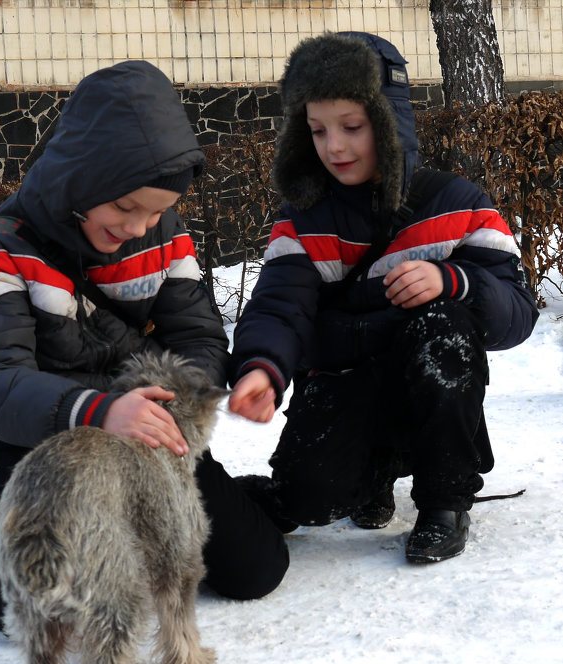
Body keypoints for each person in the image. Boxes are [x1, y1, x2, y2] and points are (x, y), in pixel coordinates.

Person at [0, 61, 289, 632]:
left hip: (151, 438)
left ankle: (186, 508)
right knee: (15, 610)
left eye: (156, 210)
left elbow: (198, 335)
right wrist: (99, 411)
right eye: (125, 207)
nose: (139, 226)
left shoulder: (163, 233)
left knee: (257, 569)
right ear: (81, 181)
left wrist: (172, 402)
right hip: (48, 446)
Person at [229, 32, 538, 563]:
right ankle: (366, 475)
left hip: (430, 385)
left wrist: (455, 282)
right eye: (317, 130)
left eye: (352, 126)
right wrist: (261, 367)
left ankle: (445, 499)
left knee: (442, 326)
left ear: (388, 121)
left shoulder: (455, 202)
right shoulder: (302, 221)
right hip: (344, 385)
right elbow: (281, 306)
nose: (335, 147)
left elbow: (517, 310)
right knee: (308, 499)